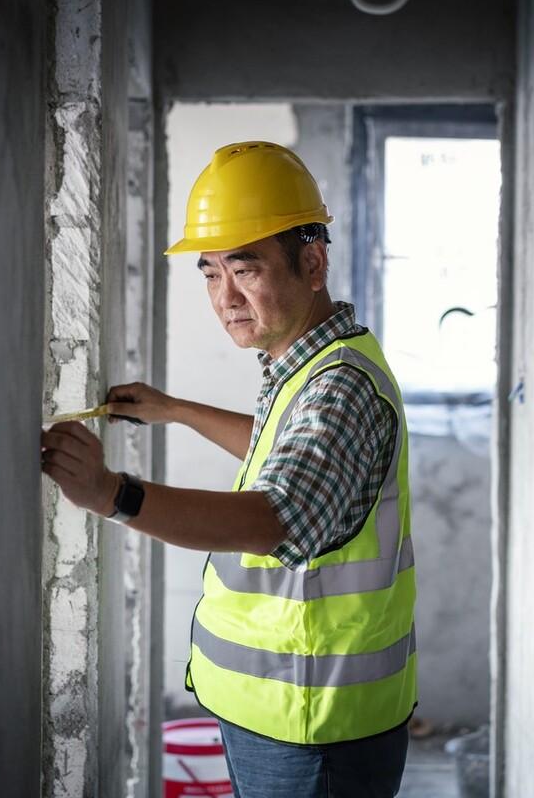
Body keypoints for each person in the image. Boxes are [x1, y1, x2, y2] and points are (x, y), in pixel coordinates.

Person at [40, 140, 417, 798]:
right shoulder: (309, 360)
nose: (226, 298)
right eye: (211, 273)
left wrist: (110, 494)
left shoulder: (338, 389)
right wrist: (176, 410)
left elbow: (276, 516)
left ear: (313, 261)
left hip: (313, 727)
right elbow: (289, 453)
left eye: (244, 270)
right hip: (290, 717)